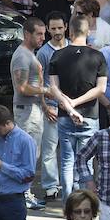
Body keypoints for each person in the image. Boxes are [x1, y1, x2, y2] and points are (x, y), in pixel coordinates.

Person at [49, 15, 109, 199]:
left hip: (65, 116)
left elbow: (53, 88)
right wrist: (76, 104)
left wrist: (69, 106)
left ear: (70, 31)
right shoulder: (98, 56)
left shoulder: (57, 55)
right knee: (87, 161)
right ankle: (85, 202)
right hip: (90, 115)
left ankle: (68, 202)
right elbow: (101, 89)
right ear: (88, 31)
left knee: (67, 160)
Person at [12, 18, 50, 211]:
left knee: (33, 154)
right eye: (39, 34)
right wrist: (46, 92)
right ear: (27, 34)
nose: (43, 37)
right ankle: (24, 194)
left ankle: (25, 192)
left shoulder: (30, 54)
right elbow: (22, 88)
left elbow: (36, 84)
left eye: (44, 33)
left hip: (33, 110)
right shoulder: (22, 57)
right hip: (26, 113)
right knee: (27, 154)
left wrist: (44, 105)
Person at [35, 14, 68, 203]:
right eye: (53, 29)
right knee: (49, 149)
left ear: (65, 27)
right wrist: (45, 106)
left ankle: (69, 184)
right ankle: (50, 187)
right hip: (52, 107)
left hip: (70, 106)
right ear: (48, 29)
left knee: (69, 150)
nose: (56, 32)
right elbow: (39, 82)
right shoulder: (43, 53)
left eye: (59, 28)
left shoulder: (72, 47)